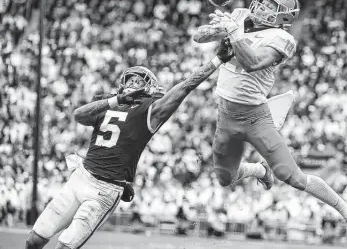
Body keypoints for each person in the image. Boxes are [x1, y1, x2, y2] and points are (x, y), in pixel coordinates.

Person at [193, 0, 347, 248]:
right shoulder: (242, 16)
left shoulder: (282, 39)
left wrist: (234, 31)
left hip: (256, 117)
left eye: (270, 6)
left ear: (283, 17)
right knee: (224, 178)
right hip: (226, 115)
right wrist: (215, 28)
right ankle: (258, 170)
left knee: (293, 176)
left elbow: (253, 62)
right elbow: (199, 37)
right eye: (262, 1)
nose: (262, 7)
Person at [25, 39, 234, 249]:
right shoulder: (108, 102)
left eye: (139, 81)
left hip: (104, 191)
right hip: (81, 177)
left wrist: (216, 60)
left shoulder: (150, 110)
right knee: (35, 240)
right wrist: (116, 100)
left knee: (63, 247)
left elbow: (186, 86)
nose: (133, 84)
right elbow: (78, 115)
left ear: (149, 88)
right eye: (130, 80)